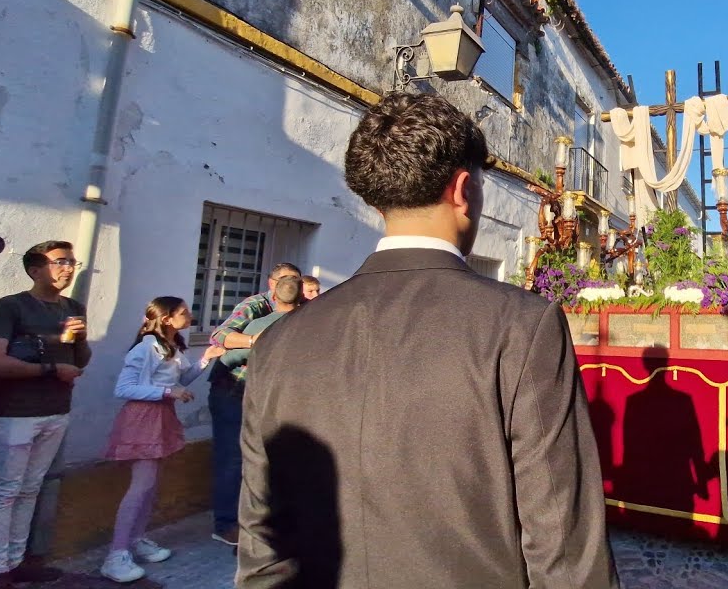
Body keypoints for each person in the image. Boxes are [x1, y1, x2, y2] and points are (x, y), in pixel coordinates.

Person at [236, 92, 616, 588]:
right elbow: (562, 537)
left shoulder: (279, 341)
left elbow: (261, 541)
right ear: (463, 190)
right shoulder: (522, 325)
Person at [0, 241, 91, 588]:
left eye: (72, 261)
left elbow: (79, 361)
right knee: (5, 491)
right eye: (60, 262)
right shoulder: (10, 308)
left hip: (55, 411)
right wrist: (50, 370)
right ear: (35, 269)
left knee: (29, 490)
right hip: (13, 413)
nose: (68, 268)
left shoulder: (74, 308)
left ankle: (16, 562)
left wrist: (80, 340)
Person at [100, 297, 204, 583]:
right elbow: (125, 388)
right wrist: (168, 393)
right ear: (168, 319)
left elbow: (183, 379)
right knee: (141, 486)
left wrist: (209, 357)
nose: (190, 316)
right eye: (184, 313)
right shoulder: (147, 347)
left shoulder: (171, 347)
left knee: (151, 486)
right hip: (144, 419)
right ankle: (116, 553)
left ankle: (136, 540)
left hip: (161, 417)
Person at [200, 261, 301, 547]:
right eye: (283, 279)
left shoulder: (300, 307)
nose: (289, 283)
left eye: (294, 278)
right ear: (271, 283)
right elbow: (220, 336)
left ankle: (258, 518)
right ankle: (226, 524)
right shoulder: (256, 305)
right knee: (232, 456)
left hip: (265, 392)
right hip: (232, 388)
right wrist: (258, 339)